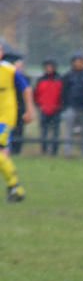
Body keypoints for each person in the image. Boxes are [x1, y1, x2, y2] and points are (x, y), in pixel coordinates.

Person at [0, 44, 33, 202]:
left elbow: (26, 88)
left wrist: (29, 110)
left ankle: (15, 186)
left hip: (4, 119)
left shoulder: (10, 71)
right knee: (3, 154)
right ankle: (14, 189)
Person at [61, 52, 83, 156]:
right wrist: (65, 106)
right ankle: (68, 152)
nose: (78, 63)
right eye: (76, 61)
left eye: (80, 61)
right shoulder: (68, 75)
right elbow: (64, 91)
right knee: (68, 130)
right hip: (71, 106)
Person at [34, 59, 63, 155]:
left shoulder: (59, 80)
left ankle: (54, 151)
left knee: (55, 132)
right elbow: (37, 94)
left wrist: (59, 106)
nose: (49, 69)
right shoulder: (41, 80)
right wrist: (39, 105)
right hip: (43, 110)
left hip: (56, 110)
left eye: (50, 67)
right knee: (44, 132)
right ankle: (44, 150)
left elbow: (62, 94)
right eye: (47, 67)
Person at [11, 59, 29, 154]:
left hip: (20, 108)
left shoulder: (24, 78)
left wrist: (28, 110)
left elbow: (27, 93)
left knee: (19, 129)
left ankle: (17, 150)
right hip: (9, 107)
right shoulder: (9, 77)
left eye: (20, 66)